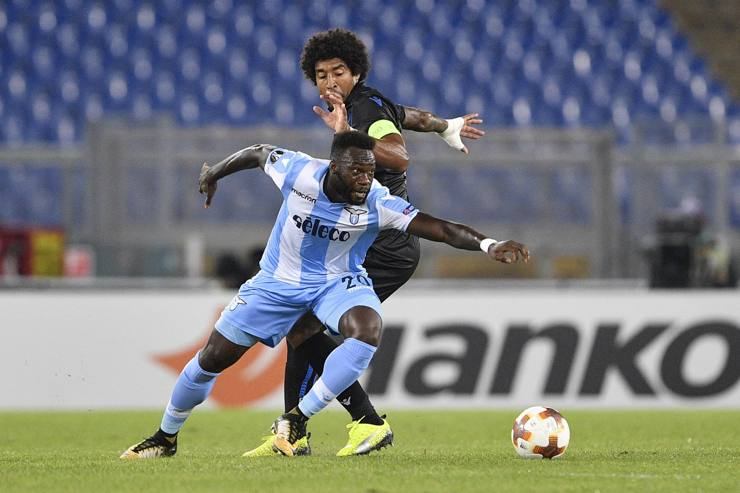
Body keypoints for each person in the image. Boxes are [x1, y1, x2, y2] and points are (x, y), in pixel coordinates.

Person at [120, 101, 529, 460]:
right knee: (212, 360)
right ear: (334, 167)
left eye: (370, 172)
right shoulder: (299, 172)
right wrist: (215, 174)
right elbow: (259, 153)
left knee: (367, 329)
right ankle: (164, 438)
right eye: (357, 172)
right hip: (277, 282)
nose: (365, 180)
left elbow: (439, 228)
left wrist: (487, 244)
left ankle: (296, 419)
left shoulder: (377, 202)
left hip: (338, 283)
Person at [243, 27, 487, 458]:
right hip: (370, 240)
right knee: (301, 328)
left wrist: (345, 137)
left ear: (355, 72)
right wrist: (444, 125)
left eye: (338, 71)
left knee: (304, 327)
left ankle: (362, 423)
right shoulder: (370, 102)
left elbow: (396, 154)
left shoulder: (359, 108)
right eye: (321, 75)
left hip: (384, 244)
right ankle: (296, 433)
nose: (330, 81)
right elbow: (405, 116)